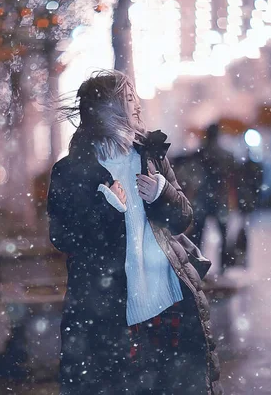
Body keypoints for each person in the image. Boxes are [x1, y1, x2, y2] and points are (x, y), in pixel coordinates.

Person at [47, 70, 222, 395]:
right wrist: (104, 208)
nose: (137, 105)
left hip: (169, 301)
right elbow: (62, 237)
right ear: (104, 109)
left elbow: (184, 220)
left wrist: (162, 194)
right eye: (128, 99)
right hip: (111, 312)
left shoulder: (150, 155)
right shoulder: (70, 171)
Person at [189, 123, 236, 274]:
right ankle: (223, 267)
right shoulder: (227, 154)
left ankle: (197, 266)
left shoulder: (201, 152)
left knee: (198, 235)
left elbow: (190, 170)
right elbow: (232, 177)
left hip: (202, 198)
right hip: (220, 197)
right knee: (223, 234)